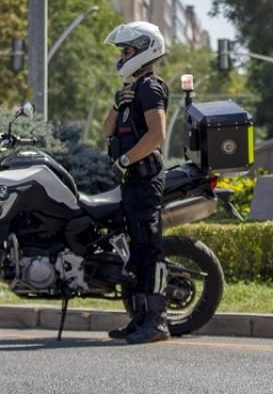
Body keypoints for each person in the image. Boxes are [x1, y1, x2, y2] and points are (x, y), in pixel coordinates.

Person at [101, 21, 171, 344]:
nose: (122, 56)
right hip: (131, 183)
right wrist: (118, 104)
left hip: (145, 180)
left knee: (149, 249)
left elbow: (157, 135)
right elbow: (105, 132)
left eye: (127, 51)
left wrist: (127, 159)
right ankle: (139, 318)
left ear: (144, 51)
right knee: (136, 253)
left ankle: (156, 322)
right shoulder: (131, 91)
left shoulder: (151, 87)